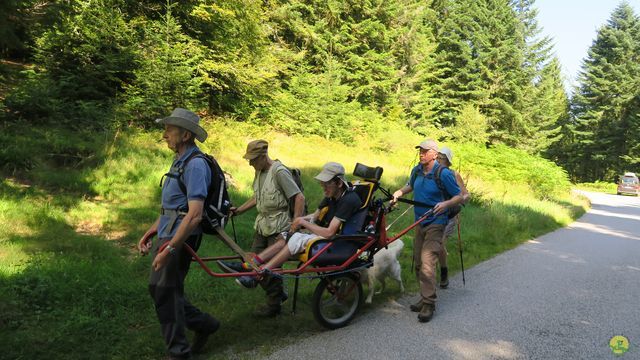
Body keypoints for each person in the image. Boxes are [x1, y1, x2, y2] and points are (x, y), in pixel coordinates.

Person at [138, 108, 220, 359]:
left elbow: (194, 213)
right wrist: (152, 230)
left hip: (180, 237)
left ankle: (179, 353)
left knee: (164, 290)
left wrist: (171, 247)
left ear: (185, 135)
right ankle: (205, 324)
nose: (164, 135)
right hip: (167, 232)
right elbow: (172, 204)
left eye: (169, 130)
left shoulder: (196, 165)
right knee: (161, 289)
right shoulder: (180, 160)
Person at [231, 162, 363, 288]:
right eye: (322, 183)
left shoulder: (349, 200)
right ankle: (249, 266)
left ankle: (257, 274)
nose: (323, 187)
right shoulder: (331, 196)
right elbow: (315, 216)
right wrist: (298, 220)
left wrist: (301, 222)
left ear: (339, 183)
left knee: (294, 240)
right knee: (284, 235)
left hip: (338, 242)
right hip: (325, 235)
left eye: (326, 184)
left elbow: (329, 233)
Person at [219, 139, 305, 317]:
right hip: (262, 225)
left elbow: (299, 198)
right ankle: (245, 270)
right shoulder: (259, 171)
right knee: (254, 259)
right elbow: (257, 197)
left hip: (279, 226)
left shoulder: (279, 172)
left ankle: (274, 305)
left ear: (263, 156)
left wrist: (296, 224)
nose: (250, 163)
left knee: (270, 267)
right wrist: (239, 211)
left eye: (253, 159)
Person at [391, 139, 463, 323]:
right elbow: (410, 186)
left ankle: (429, 303)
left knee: (427, 262)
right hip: (419, 222)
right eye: (420, 151)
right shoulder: (417, 170)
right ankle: (424, 297)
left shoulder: (443, 173)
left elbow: (459, 196)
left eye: (424, 151)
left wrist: (446, 204)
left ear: (434, 154)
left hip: (437, 222)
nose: (421, 154)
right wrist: (399, 193)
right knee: (417, 262)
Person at [435, 147, 470, 289]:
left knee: (439, 244)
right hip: (434, 214)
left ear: (448, 161)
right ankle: (431, 274)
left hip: (449, 215)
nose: (438, 160)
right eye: (437, 157)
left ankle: (443, 272)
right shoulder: (431, 172)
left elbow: (466, 194)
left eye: (442, 158)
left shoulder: (454, 174)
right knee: (434, 244)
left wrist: (461, 199)